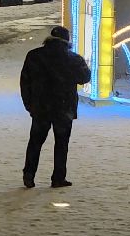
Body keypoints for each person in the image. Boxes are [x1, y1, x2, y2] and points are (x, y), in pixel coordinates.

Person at [20, 26, 90, 188]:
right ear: (67, 41)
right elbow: (84, 78)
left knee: (35, 142)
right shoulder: (74, 59)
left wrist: (29, 104)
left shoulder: (34, 56)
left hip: (40, 107)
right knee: (61, 143)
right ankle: (58, 177)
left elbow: (25, 82)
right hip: (64, 107)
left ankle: (29, 174)